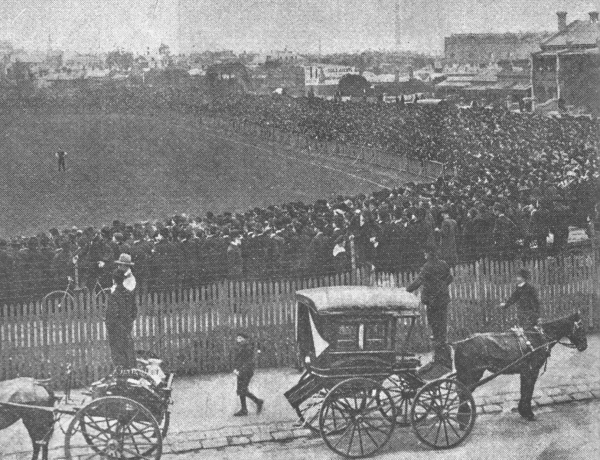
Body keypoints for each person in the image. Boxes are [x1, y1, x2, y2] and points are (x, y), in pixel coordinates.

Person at [406, 245, 453, 372]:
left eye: (425, 253)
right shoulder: (443, 264)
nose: (424, 255)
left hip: (433, 302)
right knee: (441, 330)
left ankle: (439, 361)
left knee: (435, 328)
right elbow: (450, 278)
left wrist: (407, 291)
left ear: (429, 254)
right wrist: (441, 287)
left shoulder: (427, 266)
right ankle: (444, 360)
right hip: (442, 301)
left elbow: (418, 282)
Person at [105, 255, 137, 369]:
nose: (119, 266)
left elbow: (112, 315)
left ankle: (123, 377)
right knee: (128, 349)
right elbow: (134, 309)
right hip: (126, 322)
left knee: (119, 353)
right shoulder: (124, 282)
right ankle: (130, 372)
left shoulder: (130, 279)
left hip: (119, 326)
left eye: (120, 264)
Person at [232, 332, 264, 416]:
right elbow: (238, 360)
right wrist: (236, 369)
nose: (238, 340)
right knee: (241, 389)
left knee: (243, 389)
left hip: (246, 371)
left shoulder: (247, 348)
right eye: (237, 338)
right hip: (241, 371)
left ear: (244, 339)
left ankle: (257, 402)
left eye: (240, 338)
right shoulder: (241, 347)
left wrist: (240, 370)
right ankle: (244, 409)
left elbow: (248, 362)